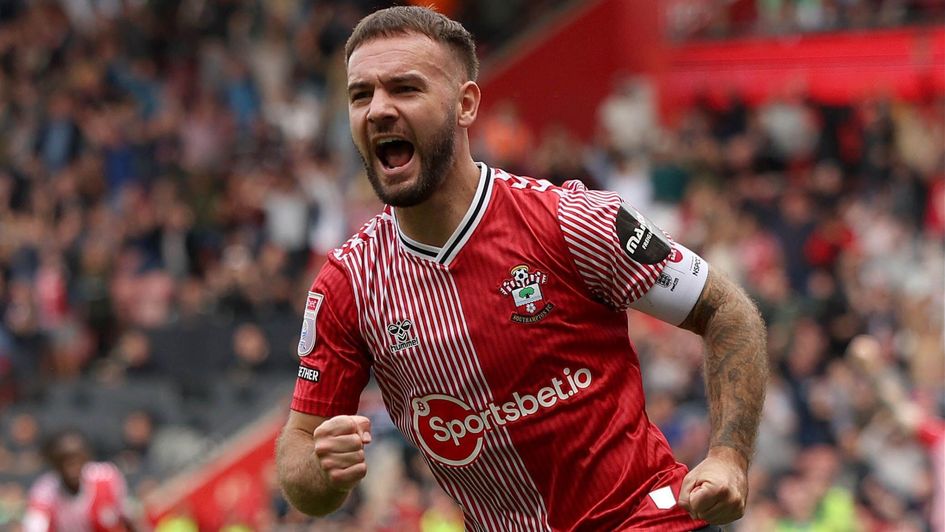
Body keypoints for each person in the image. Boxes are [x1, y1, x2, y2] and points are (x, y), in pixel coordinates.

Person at [276, 6, 767, 531]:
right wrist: (322, 469)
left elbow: (725, 310)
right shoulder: (348, 285)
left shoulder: (571, 222)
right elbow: (301, 458)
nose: (377, 110)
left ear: (465, 105)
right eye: (361, 95)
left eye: (405, 89)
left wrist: (729, 456)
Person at [23, 428, 136, 532]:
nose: (71, 469)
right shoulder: (44, 491)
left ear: (87, 458)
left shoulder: (107, 478)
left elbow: (128, 517)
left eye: (76, 461)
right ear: (54, 463)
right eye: (63, 461)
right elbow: (35, 525)